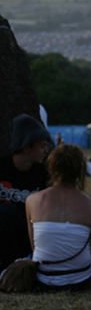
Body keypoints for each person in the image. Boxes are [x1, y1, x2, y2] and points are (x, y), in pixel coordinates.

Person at [24, 144, 91, 290]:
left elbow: (35, 248)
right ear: (80, 171)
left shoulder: (32, 201)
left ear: (51, 167)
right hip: (81, 280)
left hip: (44, 278)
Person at [1, 114, 51, 272]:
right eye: (42, 146)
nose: (46, 150)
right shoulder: (2, 167)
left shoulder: (43, 173)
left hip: (28, 236)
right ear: (26, 146)